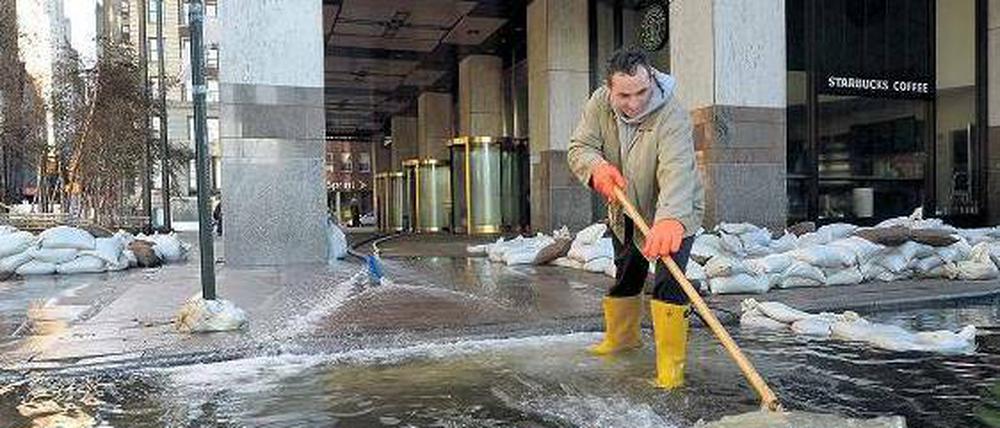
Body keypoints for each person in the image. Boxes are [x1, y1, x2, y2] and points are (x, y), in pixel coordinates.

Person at [567, 49, 705, 389]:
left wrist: (671, 218)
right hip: (626, 205)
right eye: (624, 95)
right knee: (627, 271)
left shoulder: (671, 113)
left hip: (675, 208)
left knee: (669, 282)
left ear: (651, 80)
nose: (634, 102)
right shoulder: (599, 104)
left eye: (641, 92)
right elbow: (579, 146)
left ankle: (670, 367)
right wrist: (597, 168)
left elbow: (677, 171)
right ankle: (622, 339)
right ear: (609, 89)